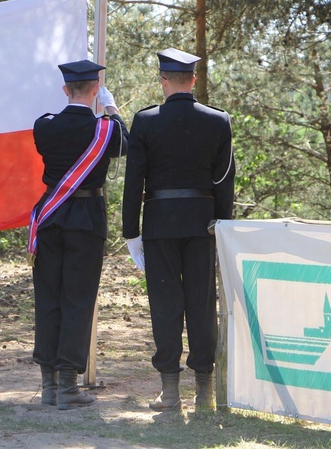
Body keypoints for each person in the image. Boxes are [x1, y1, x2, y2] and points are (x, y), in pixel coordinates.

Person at [121, 48, 235, 411]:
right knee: (202, 304)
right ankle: (204, 390)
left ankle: (169, 391)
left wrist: (130, 232)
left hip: (158, 223)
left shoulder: (145, 121)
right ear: (194, 81)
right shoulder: (218, 121)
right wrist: (223, 224)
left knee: (165, 305)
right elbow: (223, 179)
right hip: (203, 223)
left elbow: (133, 179)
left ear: (163, 80)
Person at [29, 59, 129, 410]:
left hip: (51, 217)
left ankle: (48, 385)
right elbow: (124, 144)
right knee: (78, 298)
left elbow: (48, 152)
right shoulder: (106, 128)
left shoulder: (44, 126)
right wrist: (111, 107)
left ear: (64, 89)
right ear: (95, 90)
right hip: (86, 219)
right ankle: (68, 384)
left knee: (49, 297)